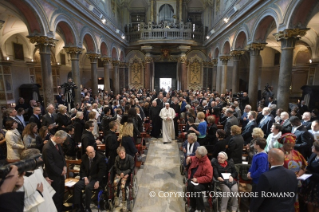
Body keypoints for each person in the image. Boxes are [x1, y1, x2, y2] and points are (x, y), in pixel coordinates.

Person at [279, 133, 307, 212]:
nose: (291, 148)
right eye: (288, 146)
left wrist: (299, 174)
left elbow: (304, 167)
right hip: (282, 183)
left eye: (293, 145)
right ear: (284, 144)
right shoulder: (278, 153)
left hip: (295, 183)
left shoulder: (297, 153)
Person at [73, 146, 106, 212]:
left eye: (93, 151)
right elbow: (82, 169)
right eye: (90, 152)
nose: (93, 153)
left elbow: (102, 171)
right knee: (77, 186)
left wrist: (98, 181)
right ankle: (79, 206)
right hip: (87, 177)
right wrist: (85, 178)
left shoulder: (100, 158)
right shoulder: (84, 157)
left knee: (88, 188)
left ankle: (87, 207)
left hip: (95, 178)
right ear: (87, 153)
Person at [42, 130, 67, 212]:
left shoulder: (57, 144)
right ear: (58, 137)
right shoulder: (47, 148)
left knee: (61, 192)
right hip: (53, 175)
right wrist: (60, 172)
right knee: (56, 194)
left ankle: (61, 207)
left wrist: (64, 166)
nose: (63, 142)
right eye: (63, 140)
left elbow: (62, 156)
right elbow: (50, 164)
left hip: (60, 173)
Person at [186, 146, 213, 212]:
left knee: (196, 189)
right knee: (190, 185)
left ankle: (200, 208)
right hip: (193, 179)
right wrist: (189, 157)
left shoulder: (207, 163)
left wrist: (198, 180)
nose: (195, 152)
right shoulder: (197, 158)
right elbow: (193, 158)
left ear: (200, 155)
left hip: (202, 182)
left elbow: (209, 177)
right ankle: (193, 206)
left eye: (196, 152)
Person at [113, 146, 134, 212]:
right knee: (115, 183)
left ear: (125, 152)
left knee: (122, 185)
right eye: (120, 153)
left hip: (126, 174)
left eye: (122, 153)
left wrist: (125, 174)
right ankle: (116, 198)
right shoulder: (117, 158)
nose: (121, 155)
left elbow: (131, 168)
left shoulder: (130, 158)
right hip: (119, 173)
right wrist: (120, 173)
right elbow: (116, 168)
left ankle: (124, 202)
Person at [300, 141, 319, 212]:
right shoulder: (313, 155)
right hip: (310, 183)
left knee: (316, 205)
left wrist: (310, 174)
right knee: (309, 203)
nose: (311, 147)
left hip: (317, 185)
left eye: (313, 146)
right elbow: (307, 166)